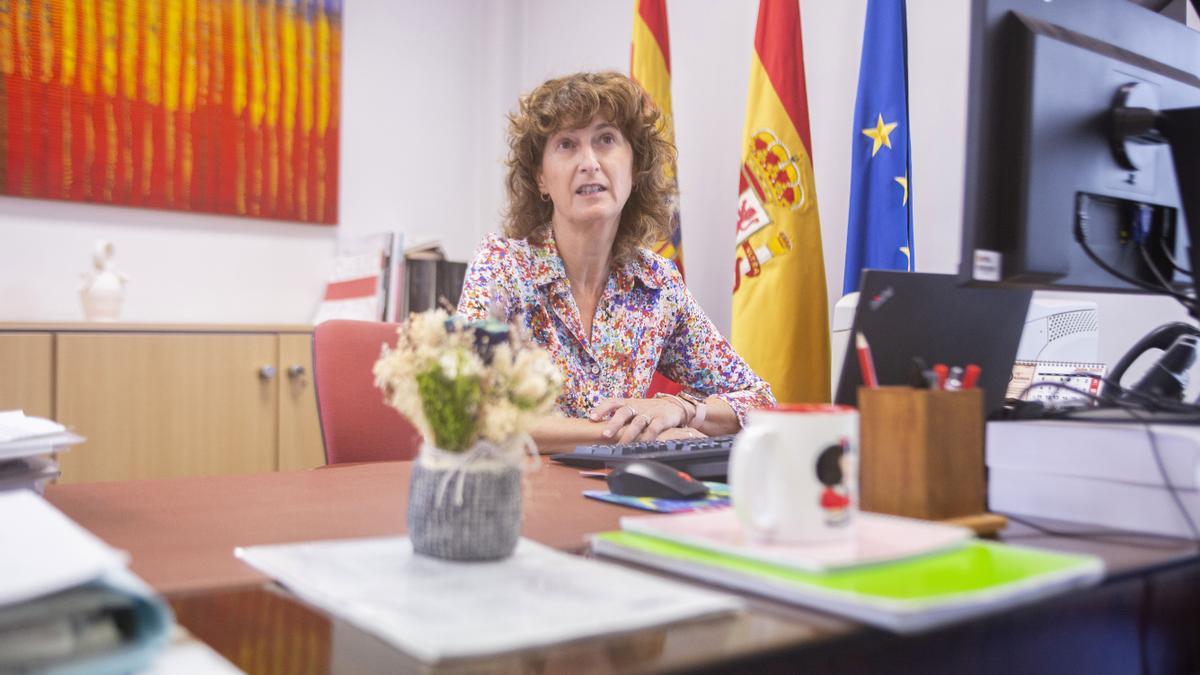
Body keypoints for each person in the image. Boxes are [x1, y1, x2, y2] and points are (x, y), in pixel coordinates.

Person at [457, 71, 774, 452]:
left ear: (635, 167)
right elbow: (470, 412)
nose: (589, 162)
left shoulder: (657, 283)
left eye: (606, 140)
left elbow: (758, 400)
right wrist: (633, 433)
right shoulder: (502, 265)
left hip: (623, 493)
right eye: (566, 145)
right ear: (541, 177)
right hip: (528, 494)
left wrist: (679, 410)